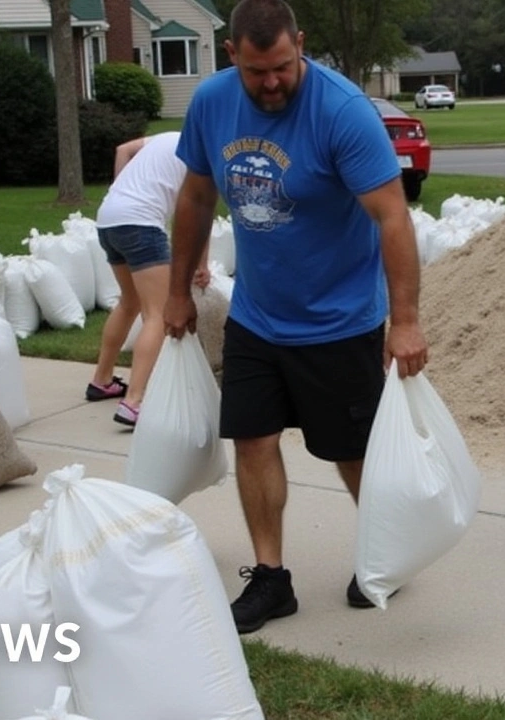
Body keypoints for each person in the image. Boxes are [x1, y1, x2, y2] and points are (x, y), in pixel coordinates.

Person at [163, 0, 428, 633]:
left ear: (300, 45)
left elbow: (392, 215)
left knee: (352, 451)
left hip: (339, 319)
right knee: (252, 439)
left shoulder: (341, 111)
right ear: (232, 57)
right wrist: (177, 290)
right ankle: (271, 578)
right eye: (258, 72)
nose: (272, 82)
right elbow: (197, 197)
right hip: (258, 313)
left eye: (283, 66)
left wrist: (406, 319)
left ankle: (384, 554)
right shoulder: (211, 103)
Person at [87, 132, 210, 426]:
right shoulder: (204, 150)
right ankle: (134, 401)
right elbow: (198, 214)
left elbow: (122, 148)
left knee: (129, 303)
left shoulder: (170, 136)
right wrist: (202, 265)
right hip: (141, 223)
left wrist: (120, 189)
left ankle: (101, 380)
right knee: (158, 313)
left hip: (108, 218)